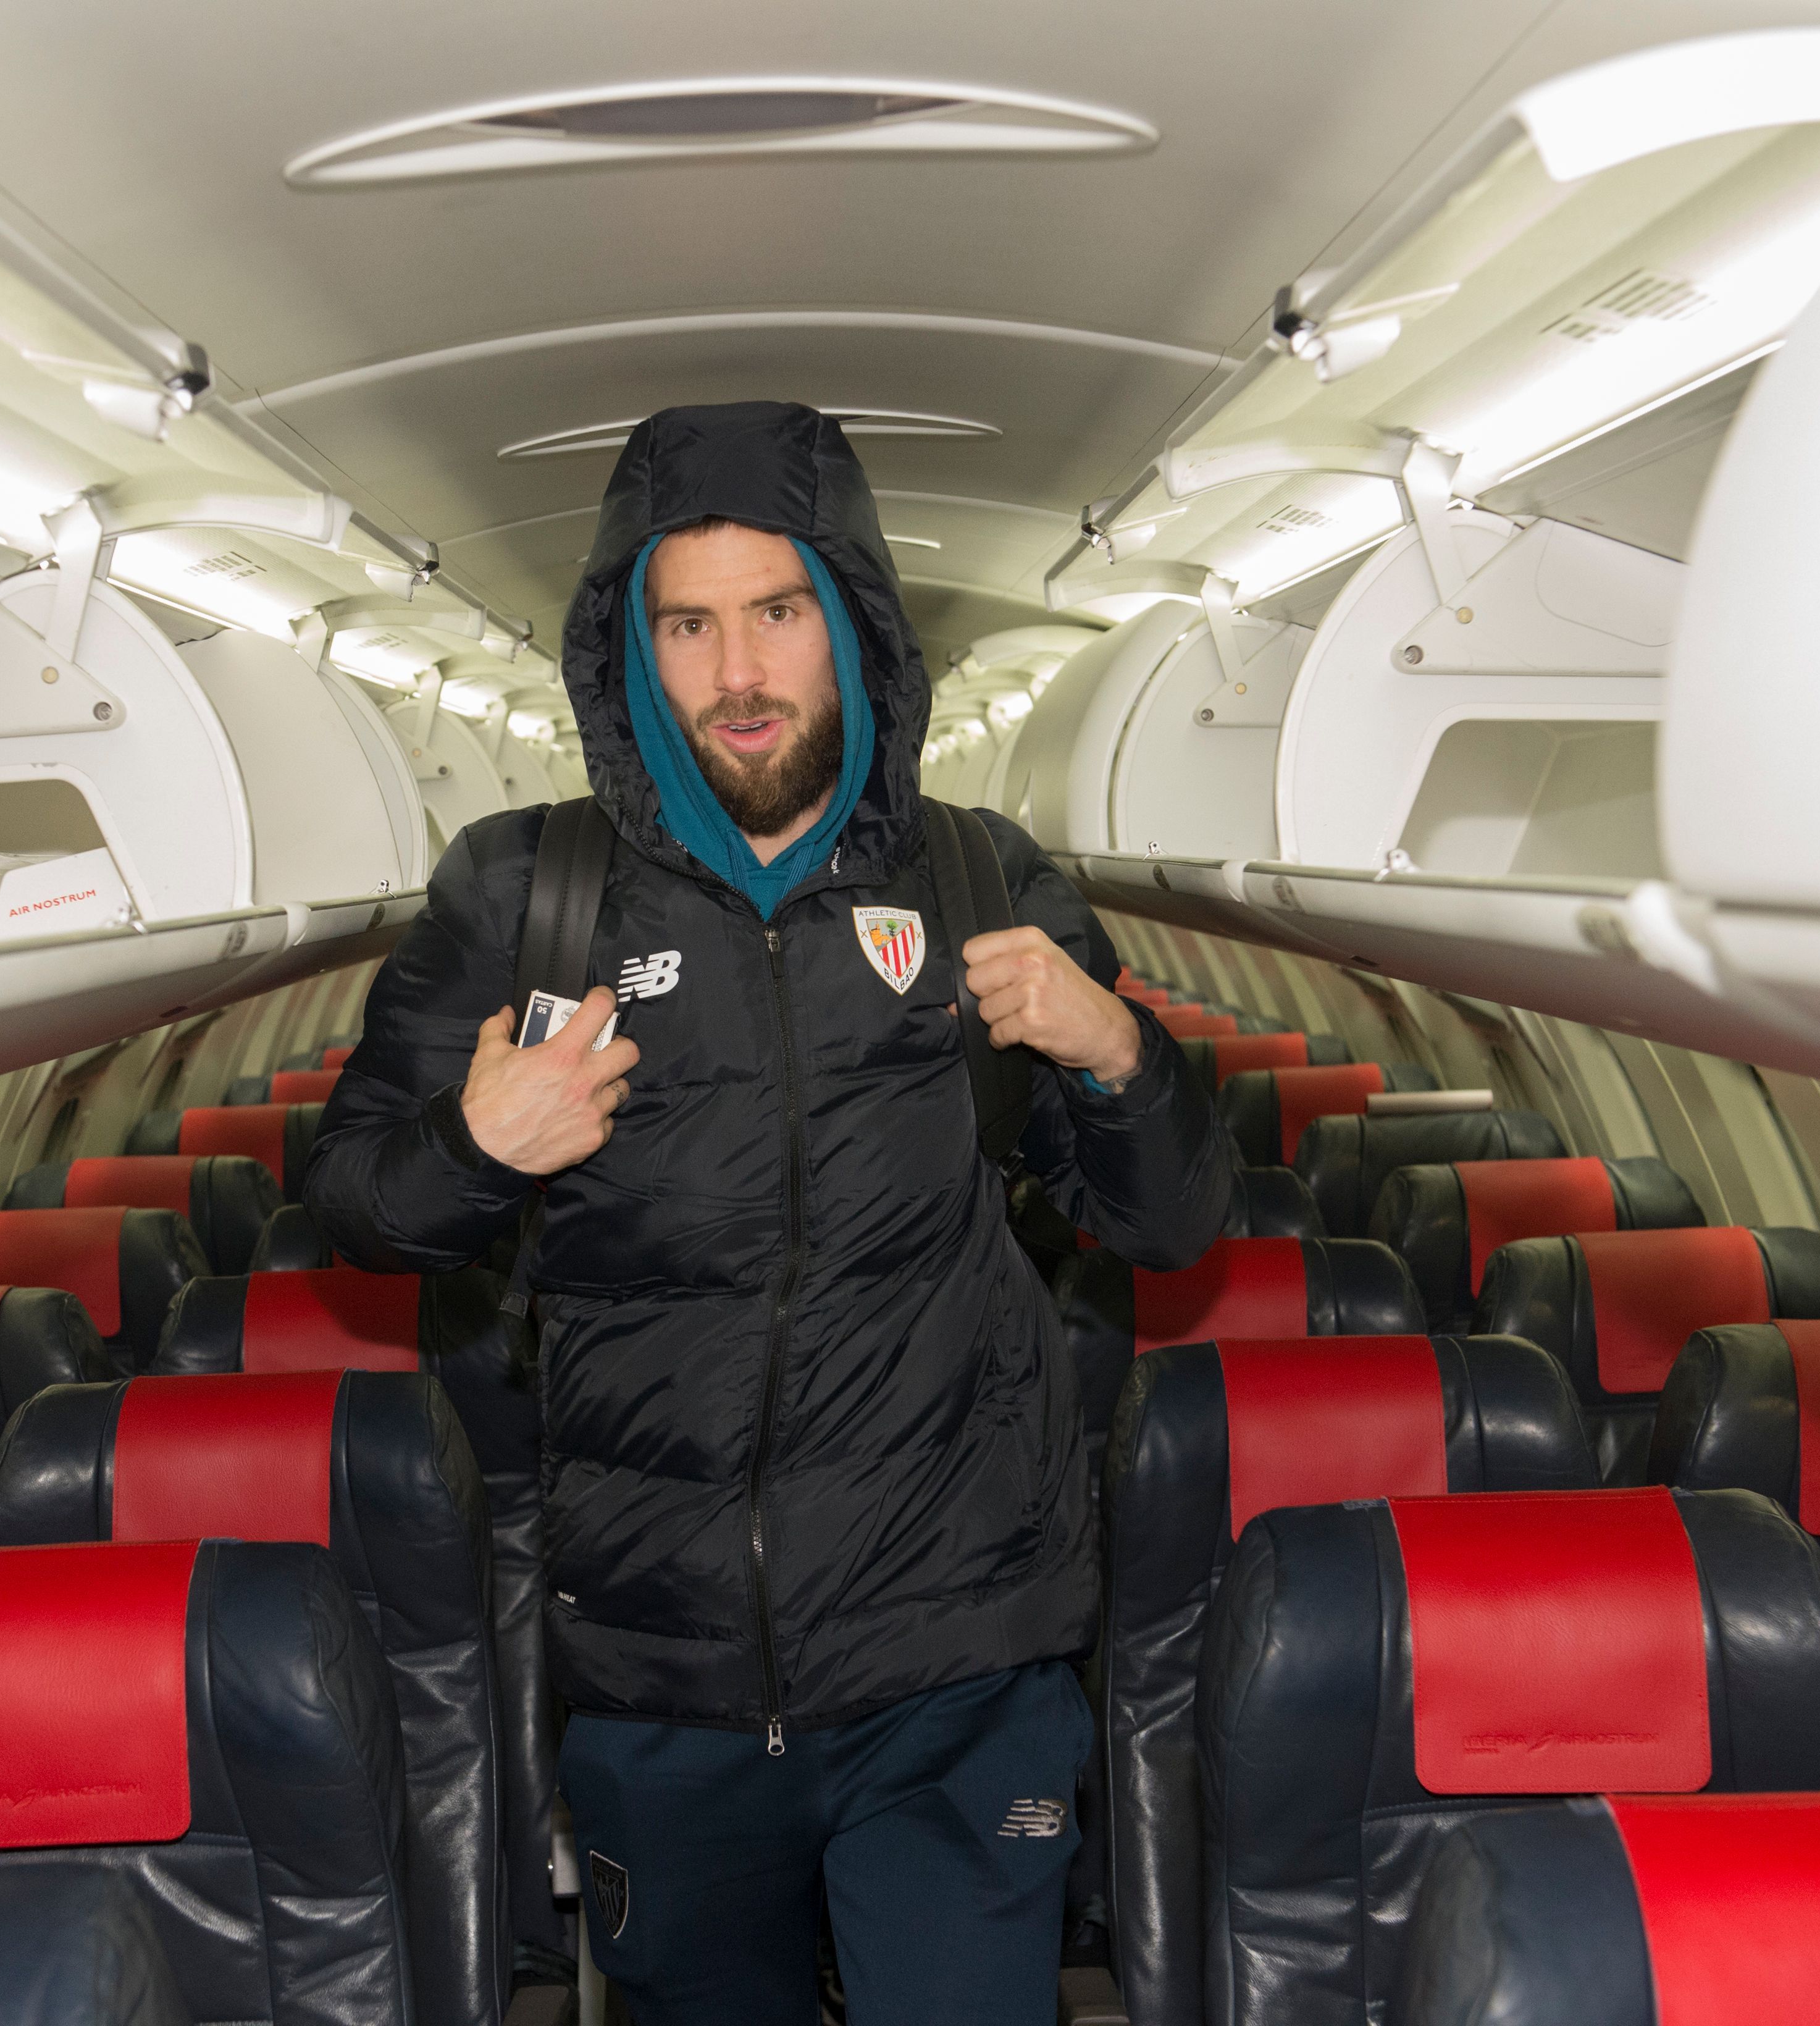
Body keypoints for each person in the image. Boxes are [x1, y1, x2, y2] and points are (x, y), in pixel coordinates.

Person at [303, 401, 1225, 2026]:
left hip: (960, 1665)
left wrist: (1116, 1054)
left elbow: (1173, 1225)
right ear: (629, 652)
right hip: (667, 1680)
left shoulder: (980, 878)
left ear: (853, 628)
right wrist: (473, 1143)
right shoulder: (527, 895)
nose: (738, 671)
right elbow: (353, 1209)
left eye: (779, 613)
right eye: (689, 624)